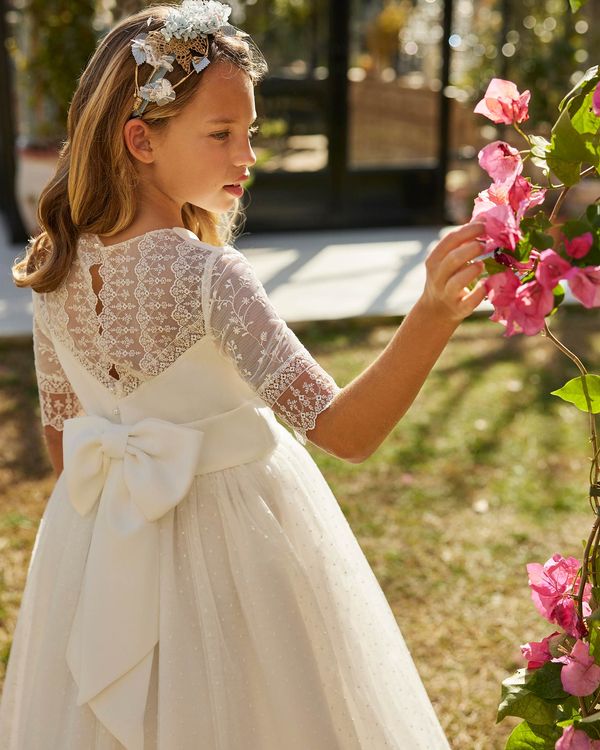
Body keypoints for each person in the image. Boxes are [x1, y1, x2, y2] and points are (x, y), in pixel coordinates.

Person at [0, 2, 486, 748]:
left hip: (96, 559)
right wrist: (432, 315)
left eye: (250, 133)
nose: (247, 156)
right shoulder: (209, 276)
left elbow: (68, 452)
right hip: (238, 558)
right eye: (221, 134)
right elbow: (347, 432)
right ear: (141, 140)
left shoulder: (53, 269)